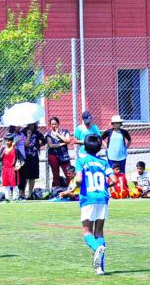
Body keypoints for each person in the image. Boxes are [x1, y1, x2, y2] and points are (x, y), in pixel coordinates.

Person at [70, 135, 115, 275]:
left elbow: (79, 180)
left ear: (84, 147)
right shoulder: (104, 163)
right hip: (102, 198)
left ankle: (96, 248)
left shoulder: (81, 161)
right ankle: (99, 268)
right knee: (99, 232)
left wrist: (76, 185)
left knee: (87, 232)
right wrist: (105, 186)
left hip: (88, 199)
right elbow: (113, 180)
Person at [45, 117, 74, 190]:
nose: (54, 126)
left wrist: (58, 134)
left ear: (58, 124)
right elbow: (51, 145)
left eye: (55, 124)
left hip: (64, 156)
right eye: (52, 124)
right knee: (56, 175)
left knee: (69, 173)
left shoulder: (65, 131)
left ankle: (71, 190)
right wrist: (62, 144)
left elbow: (68, 140)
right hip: (53, 156)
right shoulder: (49, 134)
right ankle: (56, 190)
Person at [20, 122, 44, 199]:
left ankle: (29, 194)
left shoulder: (37, 133)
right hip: (25, 156)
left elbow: (44, 140)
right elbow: (25, 144)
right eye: (30, 124)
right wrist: (29, 135)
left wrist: (39, 143)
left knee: (32, 176)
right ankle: (22, 193)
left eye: (33, 124)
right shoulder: (23, 132)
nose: (31, 126)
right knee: (24, 176)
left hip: (34, 156)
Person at [0, 132, 22, 198]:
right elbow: (0, 158)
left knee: (14, 184)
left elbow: (21, 159)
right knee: (6, 184)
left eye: (9, 140)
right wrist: (4, 152)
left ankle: (15, 197)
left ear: (12, 141)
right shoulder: (3, 148)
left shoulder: (15, 149)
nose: (7, 142)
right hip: (5, 168)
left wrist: (18, 166)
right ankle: (7, 197)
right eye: (6, 140)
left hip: (12, 168)